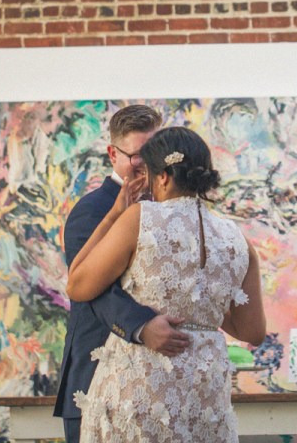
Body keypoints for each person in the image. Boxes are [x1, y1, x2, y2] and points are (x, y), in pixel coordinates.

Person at [66, 126, 267, 443]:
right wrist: (202, 309)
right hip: (203, 399)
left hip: (140, 392)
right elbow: (252, 332)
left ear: (162, 177)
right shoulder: (238, 240)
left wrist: (115, 214)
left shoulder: (139, 218)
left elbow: (78, 285)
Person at [54, 106, 193, 443]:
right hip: (96, 379)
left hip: (159, 387)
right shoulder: (91, 211)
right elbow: (92, 288)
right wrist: (142, 326)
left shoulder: (170, 209)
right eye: (136, 155)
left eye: (155, 152)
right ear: (112, 154)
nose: (147, 163)